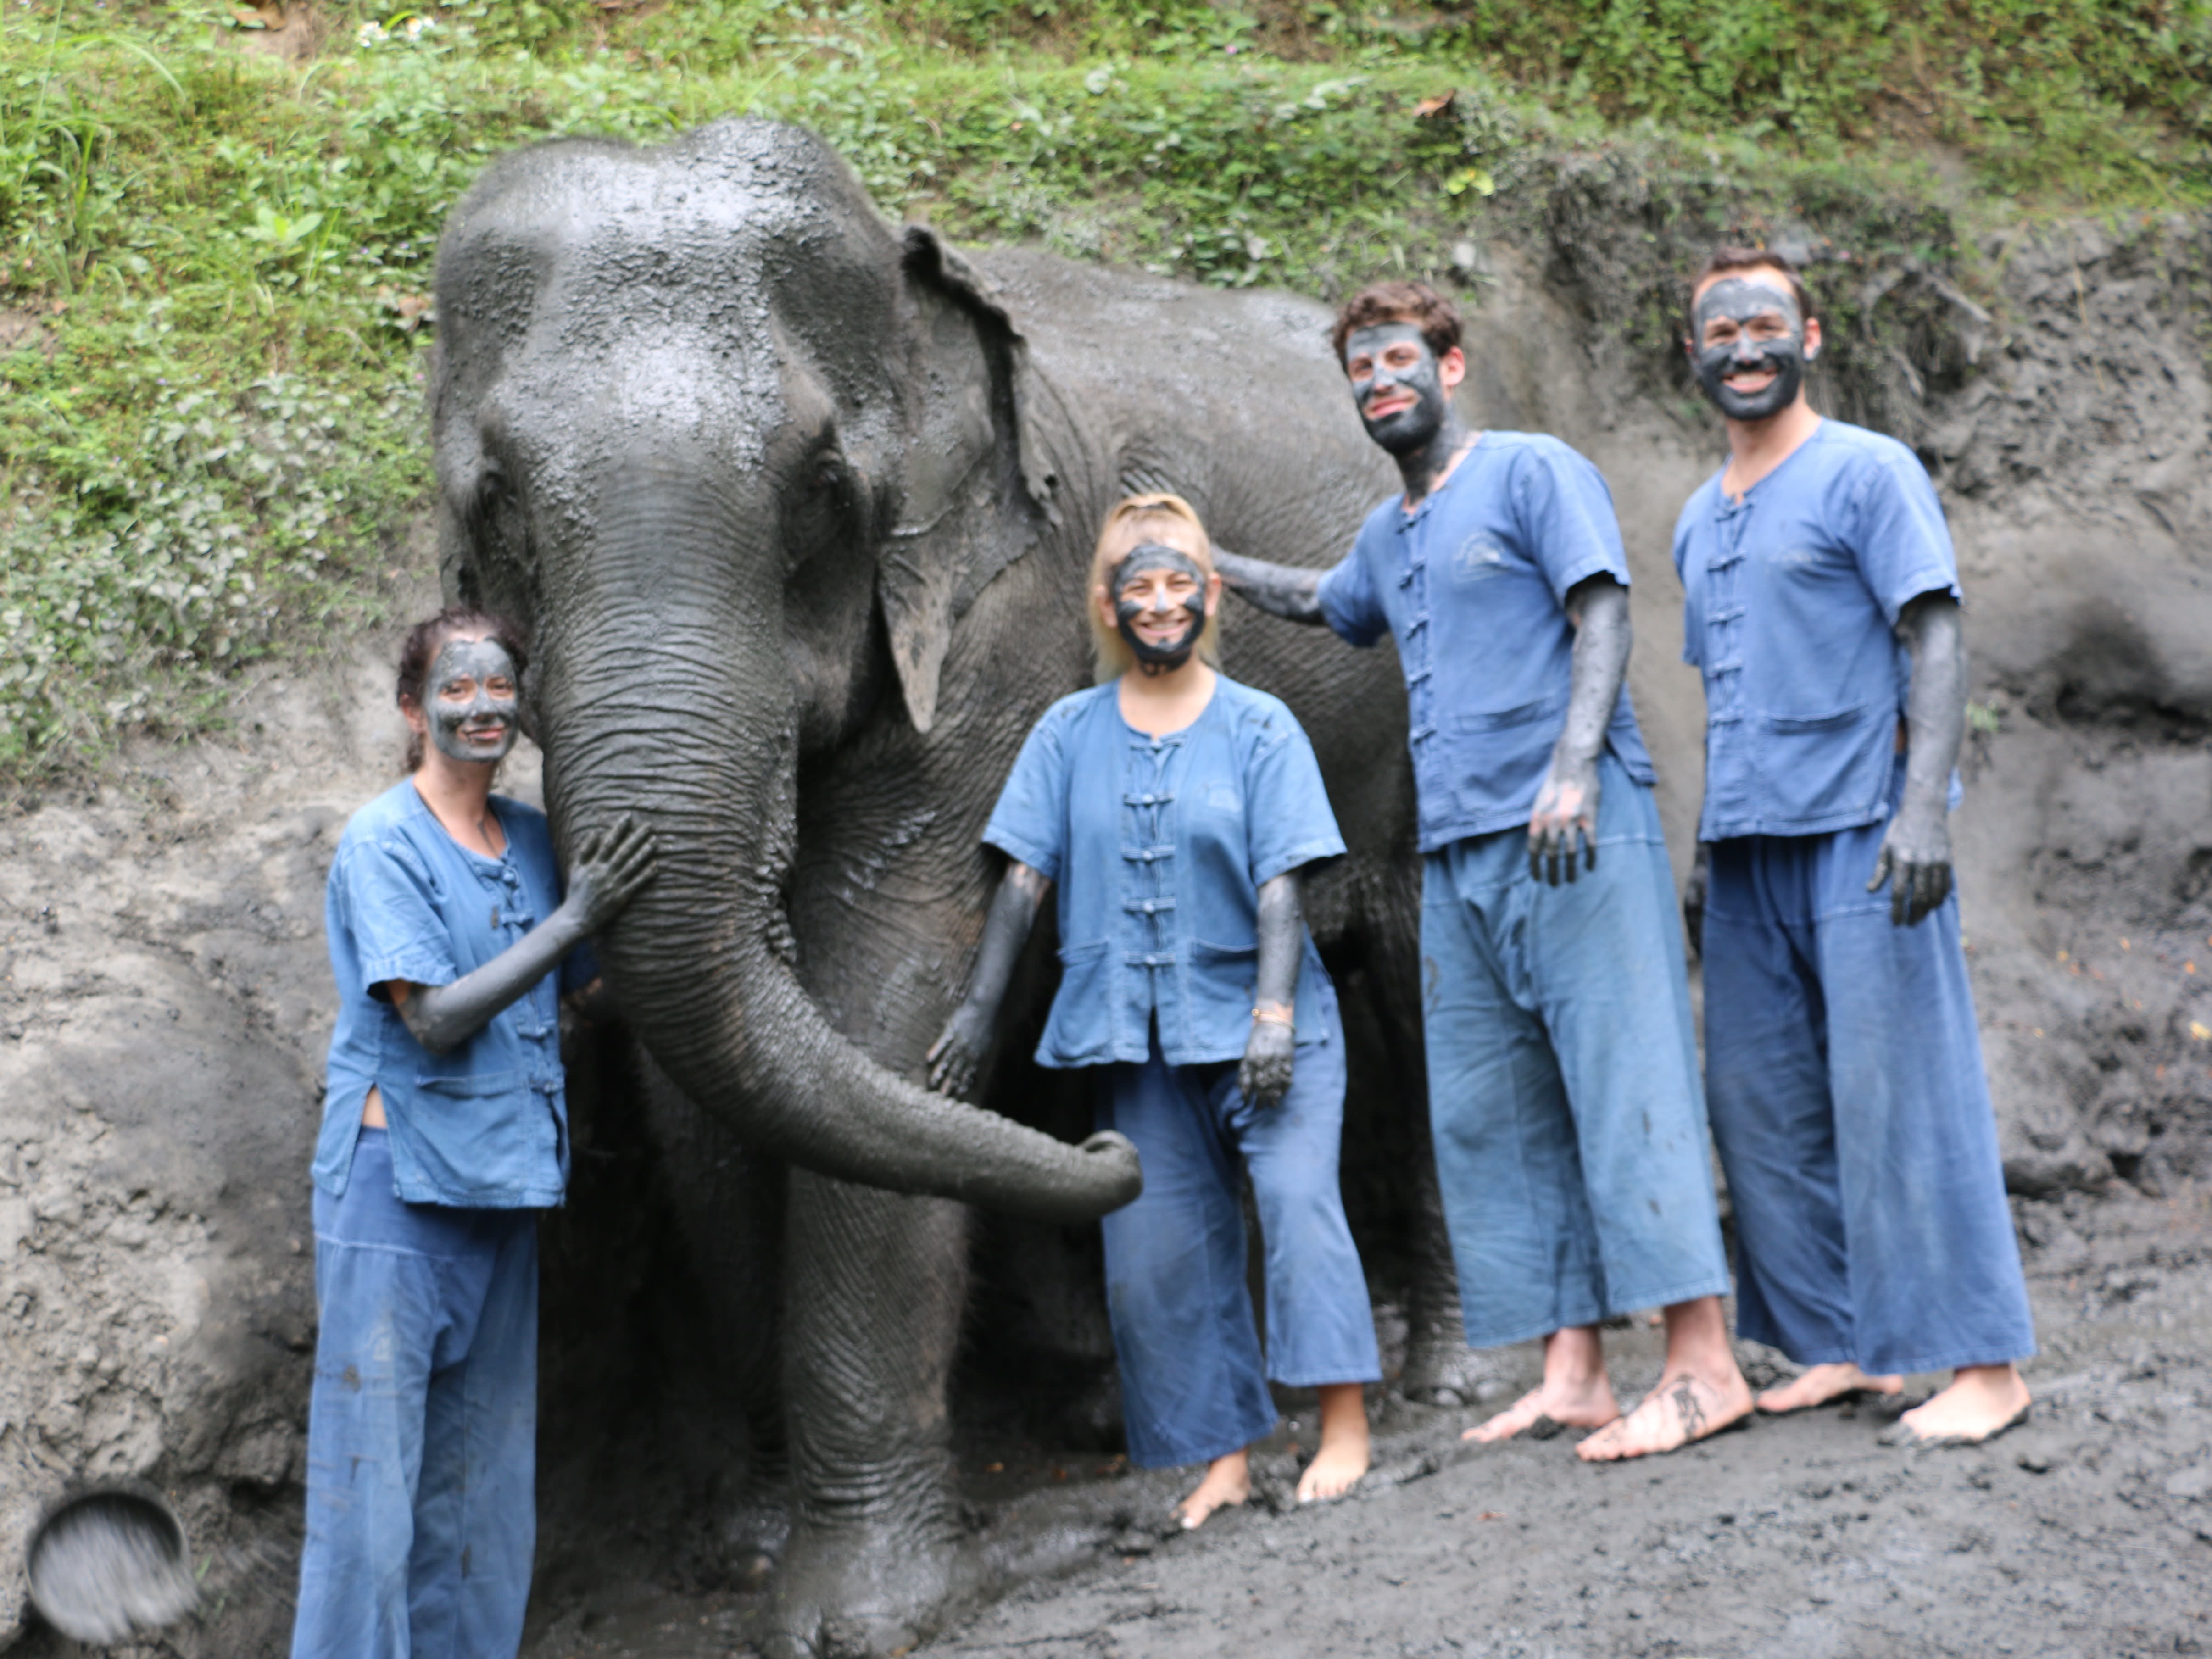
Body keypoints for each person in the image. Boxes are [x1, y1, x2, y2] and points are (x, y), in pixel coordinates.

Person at [1215, 281, 1750, 1462]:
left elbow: (1600, 611)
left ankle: (1702, 1365)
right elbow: (1325, 604)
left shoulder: (1530, 470)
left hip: (1571, 827)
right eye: (1359, 368)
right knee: (1499, 1112)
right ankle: (1572, 1370)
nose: (1378, 382)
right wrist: (1208, 564)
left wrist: (1570, 766)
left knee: (1626, 1084)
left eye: (1397, 357)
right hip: (1456, 856)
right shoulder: (1389, 531)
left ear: (1447, 366)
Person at [927, 494, 1381, 1527]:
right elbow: (1023, 881)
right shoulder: (1065, 731)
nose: (1162, 599)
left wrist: (1271, 1012)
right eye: (1140, 583)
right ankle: (1223, 1455)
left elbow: (1282, 883)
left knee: (1301, 1209)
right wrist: (977, 1011)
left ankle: (1342, 1424)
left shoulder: (1260, 724)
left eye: (1180, 580)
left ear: (1211, 594)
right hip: (1137, 1033)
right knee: (1159, 1253)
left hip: (1270, 1026)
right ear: (1107, 603)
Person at [1674, 248, 2035, 1445]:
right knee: (1758, 1108)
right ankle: (1844, 1345)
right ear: (1694, 353)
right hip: (1743, 854)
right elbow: (1727, 690)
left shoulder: (1866, 473)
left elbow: (1932, 638)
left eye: (1762, 324)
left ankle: (1981, 1365)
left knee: (1902, 1101)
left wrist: (1921, 808)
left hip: (1861, 837)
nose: (1740, 346)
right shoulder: (1695, 514)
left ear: (1809, 337)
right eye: (1717, 329)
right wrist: (1700, 848)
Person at [292, 608, 657, 1659]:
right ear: (413, 710)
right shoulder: (383, 841)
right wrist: (572, 921)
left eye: (499, 687)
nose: (482, 706)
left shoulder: (538, 840)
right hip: (392, 1193)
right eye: (455, 690)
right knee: (371, 1503)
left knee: (479, 1494)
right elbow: (434, 1016)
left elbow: (588, 995)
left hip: (502, 1186)